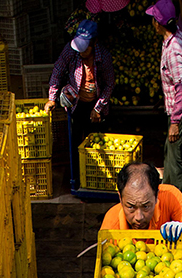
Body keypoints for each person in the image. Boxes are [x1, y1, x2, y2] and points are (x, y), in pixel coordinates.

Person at [47, 20, 115, 185]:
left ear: (94, 42)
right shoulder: (71, 51)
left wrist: (98, 108)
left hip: (95, 104)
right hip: (77, 103)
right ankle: (76, 178)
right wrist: (52, 98)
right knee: (76, 141)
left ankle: (96, 179)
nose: (82, 53)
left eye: (85, 49)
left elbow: (109, 84)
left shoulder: (103, 57)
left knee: (95, 143)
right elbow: (58, 70)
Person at [147, 0, 182, 195]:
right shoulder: (177, 35)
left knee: (175, 159)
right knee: (172, 154)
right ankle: (168, 193)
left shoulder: (174, 50)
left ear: (158, 24)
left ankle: (176, 203)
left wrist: (176, 122)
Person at [101, 162, 182, 249]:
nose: (139, 217)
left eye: (146, 206)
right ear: (120, 198)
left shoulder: (170, 197)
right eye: (131, 207)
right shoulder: (111, 224)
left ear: (157, 195)